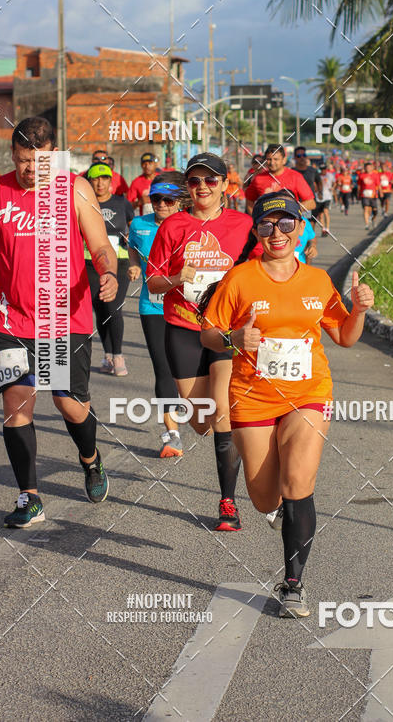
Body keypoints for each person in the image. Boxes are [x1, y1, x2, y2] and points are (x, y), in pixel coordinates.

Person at [200, 191, 374, 618]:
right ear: (257, 230)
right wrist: (234, 339)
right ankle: (282, 512)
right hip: (251, 396)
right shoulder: (239, 278)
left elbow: (346, 336)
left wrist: (361, 310)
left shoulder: (317, 281)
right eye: (266, 224)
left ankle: (293, 584)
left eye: (285, 224)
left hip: (308, 394)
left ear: (300, 228)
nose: (276, 233)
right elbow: (207, 333)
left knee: (298, 481)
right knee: (263, 498)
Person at [0, 117, 116, 528]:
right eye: (20, 161)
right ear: (11, 154)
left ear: (54, 154)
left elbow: (100, 245)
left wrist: (106, 272)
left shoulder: (73, 188)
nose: (27, 170)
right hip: (10, 317)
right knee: (16, 403)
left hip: (62, 319)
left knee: (68, 403)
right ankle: (29, 497)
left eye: (36, 162)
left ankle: (90, 459)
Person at [146, 153, 255, 531]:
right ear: (187, 188)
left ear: (226, 185)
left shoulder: (244, 224)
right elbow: (153, 282)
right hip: (182, 326)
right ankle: (208, 425)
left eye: (211, 180)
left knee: (223, 410)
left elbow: (265, 265)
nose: (203, 187)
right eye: (195, 181)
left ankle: (228, 502)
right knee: (200, 421)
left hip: (226, 328)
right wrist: (178, 277)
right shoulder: (173, 226)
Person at [128, 176, 185, 458]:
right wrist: (135, 266)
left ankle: (207, 415)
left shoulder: (189, 224)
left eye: (168, 200)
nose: (161, 205)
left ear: (180, 203)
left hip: (188, 307)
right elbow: (131, 249)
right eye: (156, 199)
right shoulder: (139, 225)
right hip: (153, 306)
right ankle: (172, 434)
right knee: (162, 368)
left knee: (187, 368)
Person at [84, 162, 134, 376]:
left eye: (104, 178)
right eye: (95, 178)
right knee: (101, 308)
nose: (100, 182)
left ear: (110, 181)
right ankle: (107, 355)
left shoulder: (122, 203)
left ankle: (118, 354)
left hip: (119, 261)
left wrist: (135, 261)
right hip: (89, 262)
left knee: (114, 306)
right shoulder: (83, 202)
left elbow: (134, 230)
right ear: (89, 181)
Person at [245, 145, 315, 214]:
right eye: (269, 159)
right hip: (267, 224)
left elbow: (311, 203)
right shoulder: (258, 178)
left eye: (276, 159)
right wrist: (256, 220)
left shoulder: (295, 176)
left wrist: (290, 210)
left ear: (284, 160)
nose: (272, 163)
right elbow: (249, 202)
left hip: (289, 222)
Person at [314, 165, 334, 236]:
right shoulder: (317, 176)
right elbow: (315, 185)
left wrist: (332, 187)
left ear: (326, 169)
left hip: (327, 196)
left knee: (326, 211)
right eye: (322, 169)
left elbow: (334, 183)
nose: (323, 171)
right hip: (319, 197)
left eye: (324, 169)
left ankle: (327, 229)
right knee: (320, 215)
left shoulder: (330, 175)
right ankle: (323, 229)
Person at [359, 161, 380, 228]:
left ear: (371, 168)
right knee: (366, 208)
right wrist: (358, 193)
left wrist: (381, 192)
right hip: (364, 195)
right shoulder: (362, 175)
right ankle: (367, 224)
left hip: (373, 195)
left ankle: (373, 218)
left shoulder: (375, 175)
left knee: (374, 210)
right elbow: (359, 185)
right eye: (366, 167)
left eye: (369, 167)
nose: (368, 168)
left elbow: (378, 185)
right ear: (365, 168)